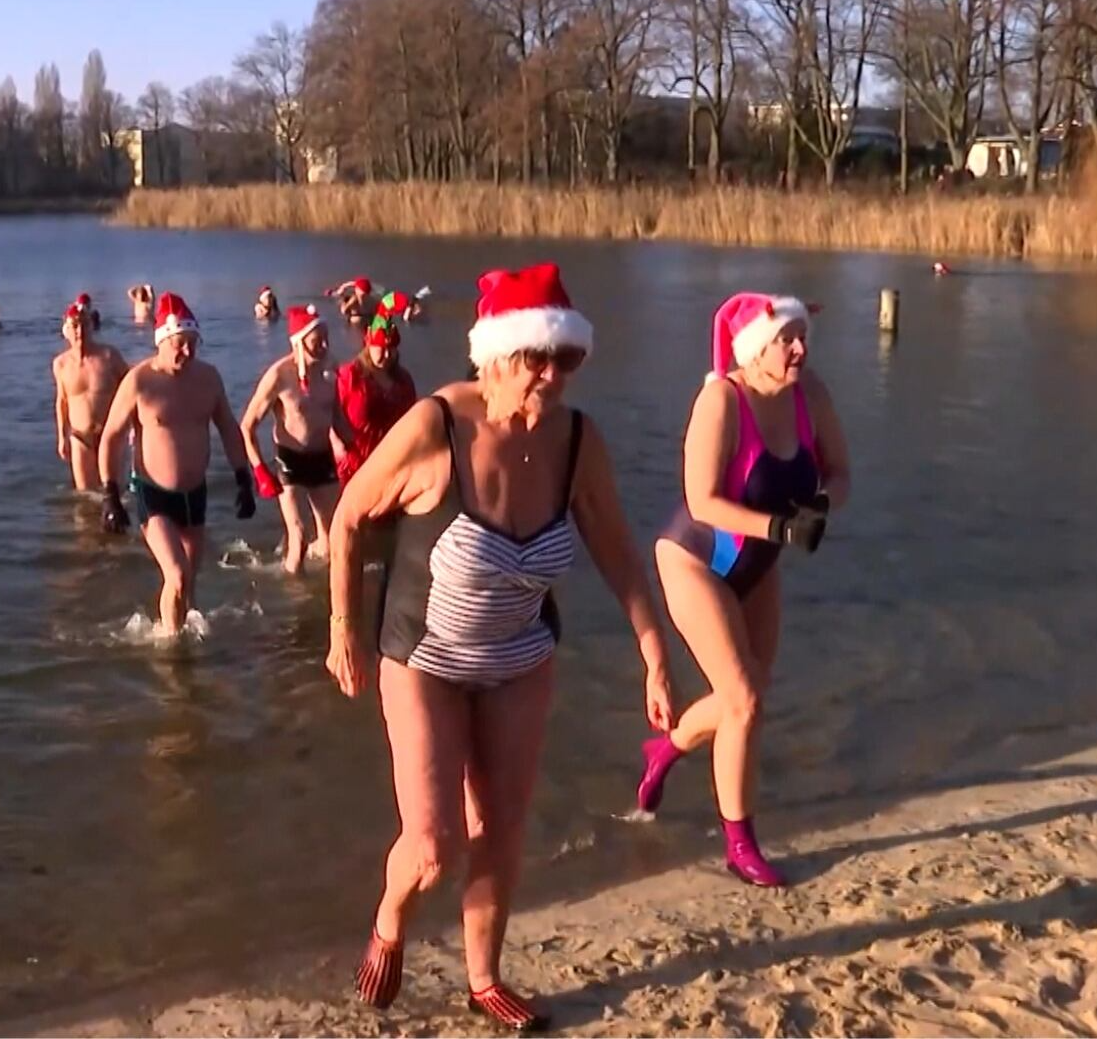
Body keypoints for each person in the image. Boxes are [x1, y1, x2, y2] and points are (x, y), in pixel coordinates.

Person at [326, 262, 672, 1031]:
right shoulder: (434, 428)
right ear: (494, 358)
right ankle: (390, 917)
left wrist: (653, 650)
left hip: (519, 661)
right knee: (433, 844)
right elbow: (348, 518)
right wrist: (342, 629)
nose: (551, 376)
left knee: (502, 830)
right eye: (535, 359)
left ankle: (483, 977)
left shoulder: (579, 442)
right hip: (424, 661)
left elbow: (618, 550)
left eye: (566, 360)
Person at [639, 292, 851, 888]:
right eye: (788, 340)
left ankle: (665, 750)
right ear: (756, 349)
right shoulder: (722, 399)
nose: (801, 349)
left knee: (747, 700)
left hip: (759, 565)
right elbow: (701, 499)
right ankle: (739, 844)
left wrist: (820, 506)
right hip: (697, 560)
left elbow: (841, 472)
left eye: (803, 337)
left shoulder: (812, 394)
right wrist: (781, 527)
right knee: (745, 702)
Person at [97, 292, 256, 636]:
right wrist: (110, 494)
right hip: (153, 495)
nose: (188, 351)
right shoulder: (140, 381)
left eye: (193, 343)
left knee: (190, 585)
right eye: (180, 344)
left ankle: (184, 643)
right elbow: (111, 436)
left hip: (194, 494)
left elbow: (228, 427)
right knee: (178, 574)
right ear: (162, 341)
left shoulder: (209, 378)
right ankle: (170, 651)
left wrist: (244, 476)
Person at [241, 304, 346, 574]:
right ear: (299, 343)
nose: (323, 346)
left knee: (335, 536)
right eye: (316, 341)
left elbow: (337, 415)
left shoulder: (331, 368)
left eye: (326, 339)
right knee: (297, 536)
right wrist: (260, 470)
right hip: (291, 460)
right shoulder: (279, 375)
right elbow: (248, 426)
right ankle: (294, 602)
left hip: (322, 458)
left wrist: (353, 447)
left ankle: (329, 596)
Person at [51, 301, 130, 491]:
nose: (80, 331)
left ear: (92, 326)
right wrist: (62, 437)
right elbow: (62, 401)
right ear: (66, 330)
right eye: (75, 326)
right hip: (80, 437)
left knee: (114, 493)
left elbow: (130, 390)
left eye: (85, 324)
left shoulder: (109, 356)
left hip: (109, 435)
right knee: (85, 496)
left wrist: (134, 427)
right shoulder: (61, 364)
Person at [335, 315, 418, 490]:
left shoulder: (403, 379)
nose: (387, 355)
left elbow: (414, 420)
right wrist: (337, 444)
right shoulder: (349, 376)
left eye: (392, 349)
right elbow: (329, 414)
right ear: (369, 344)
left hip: (393, 463)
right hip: (356, 463)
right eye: (382, 348)